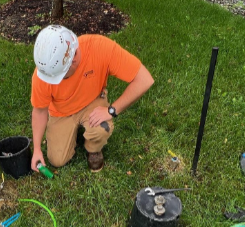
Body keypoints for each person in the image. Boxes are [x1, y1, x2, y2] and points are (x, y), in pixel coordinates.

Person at [30, 26, 154, 172]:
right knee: (57, 160)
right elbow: (39, 111)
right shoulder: (45, 71)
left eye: (58, 76)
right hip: (61, 111)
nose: (52, 80)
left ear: (73, 60)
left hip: (91, 101)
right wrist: (36, 149)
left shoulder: (100, 48)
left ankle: (93, 149)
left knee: (101, 130)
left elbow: (145, 80)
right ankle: (72, 133)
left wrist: (111, 110)